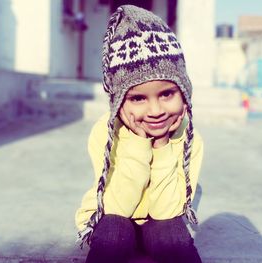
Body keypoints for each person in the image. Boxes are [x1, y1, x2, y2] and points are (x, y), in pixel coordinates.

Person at [75, 5, 204, 263]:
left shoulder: (189, 139)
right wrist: (138, 142)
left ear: (184, 92)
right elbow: (116, 208)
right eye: (137, 98)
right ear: (118, 101)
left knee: (171, 234)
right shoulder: (106, 132)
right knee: (113, 232)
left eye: (167, 94)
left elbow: (167, 211)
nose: (155, 111)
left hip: (159, 222)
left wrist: (162, 145)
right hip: (114, 217)